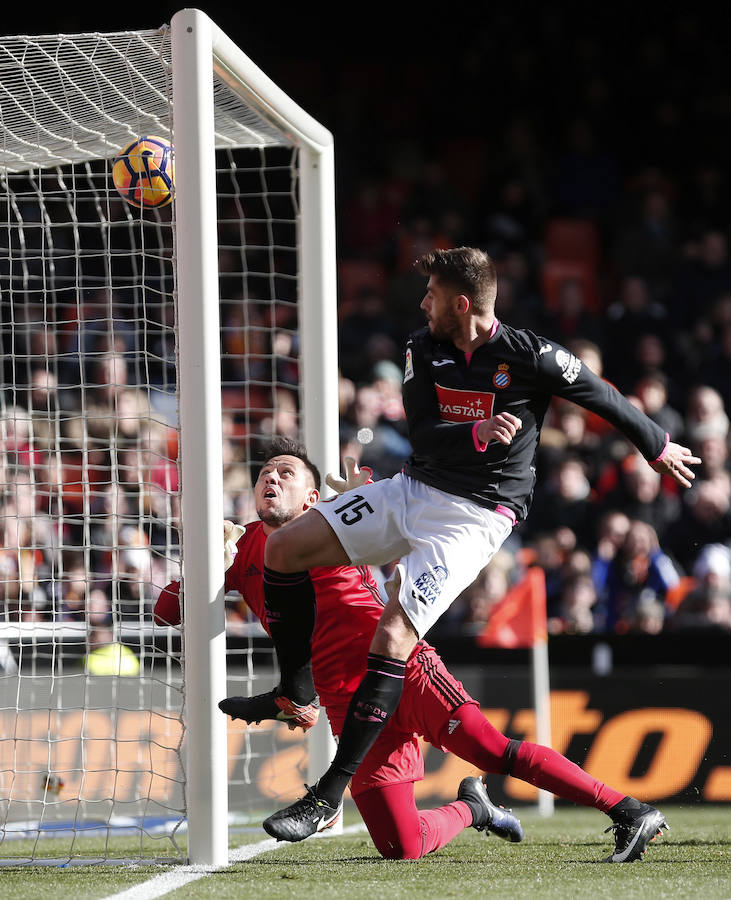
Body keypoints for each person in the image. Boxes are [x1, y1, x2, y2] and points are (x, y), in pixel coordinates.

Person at [226, 248, 699, 859]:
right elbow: (423, 432)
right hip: (414, 488)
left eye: (430, 295)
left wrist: (657, 445)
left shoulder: (529, 355)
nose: (421, 304)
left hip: (475, 518)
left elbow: (601, 394)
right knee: (285, 548)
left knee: (394, 637)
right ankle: (297, 690)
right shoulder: (423, 347)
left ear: (462, 303)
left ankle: (326, 797)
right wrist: (475, 434)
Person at [158, 437, 671, 862]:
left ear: (315, 498)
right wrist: (200, 568)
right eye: (265, 472)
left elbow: (402, 521)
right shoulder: (237, 545)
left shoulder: (333, 529)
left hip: (402, 670)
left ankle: (627, 810)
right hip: (346, 706)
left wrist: (364, 495)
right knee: (401, 847)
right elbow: (165, 613)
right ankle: (473, 808)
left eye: (286, 472)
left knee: (492, 750)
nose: (271, 478)